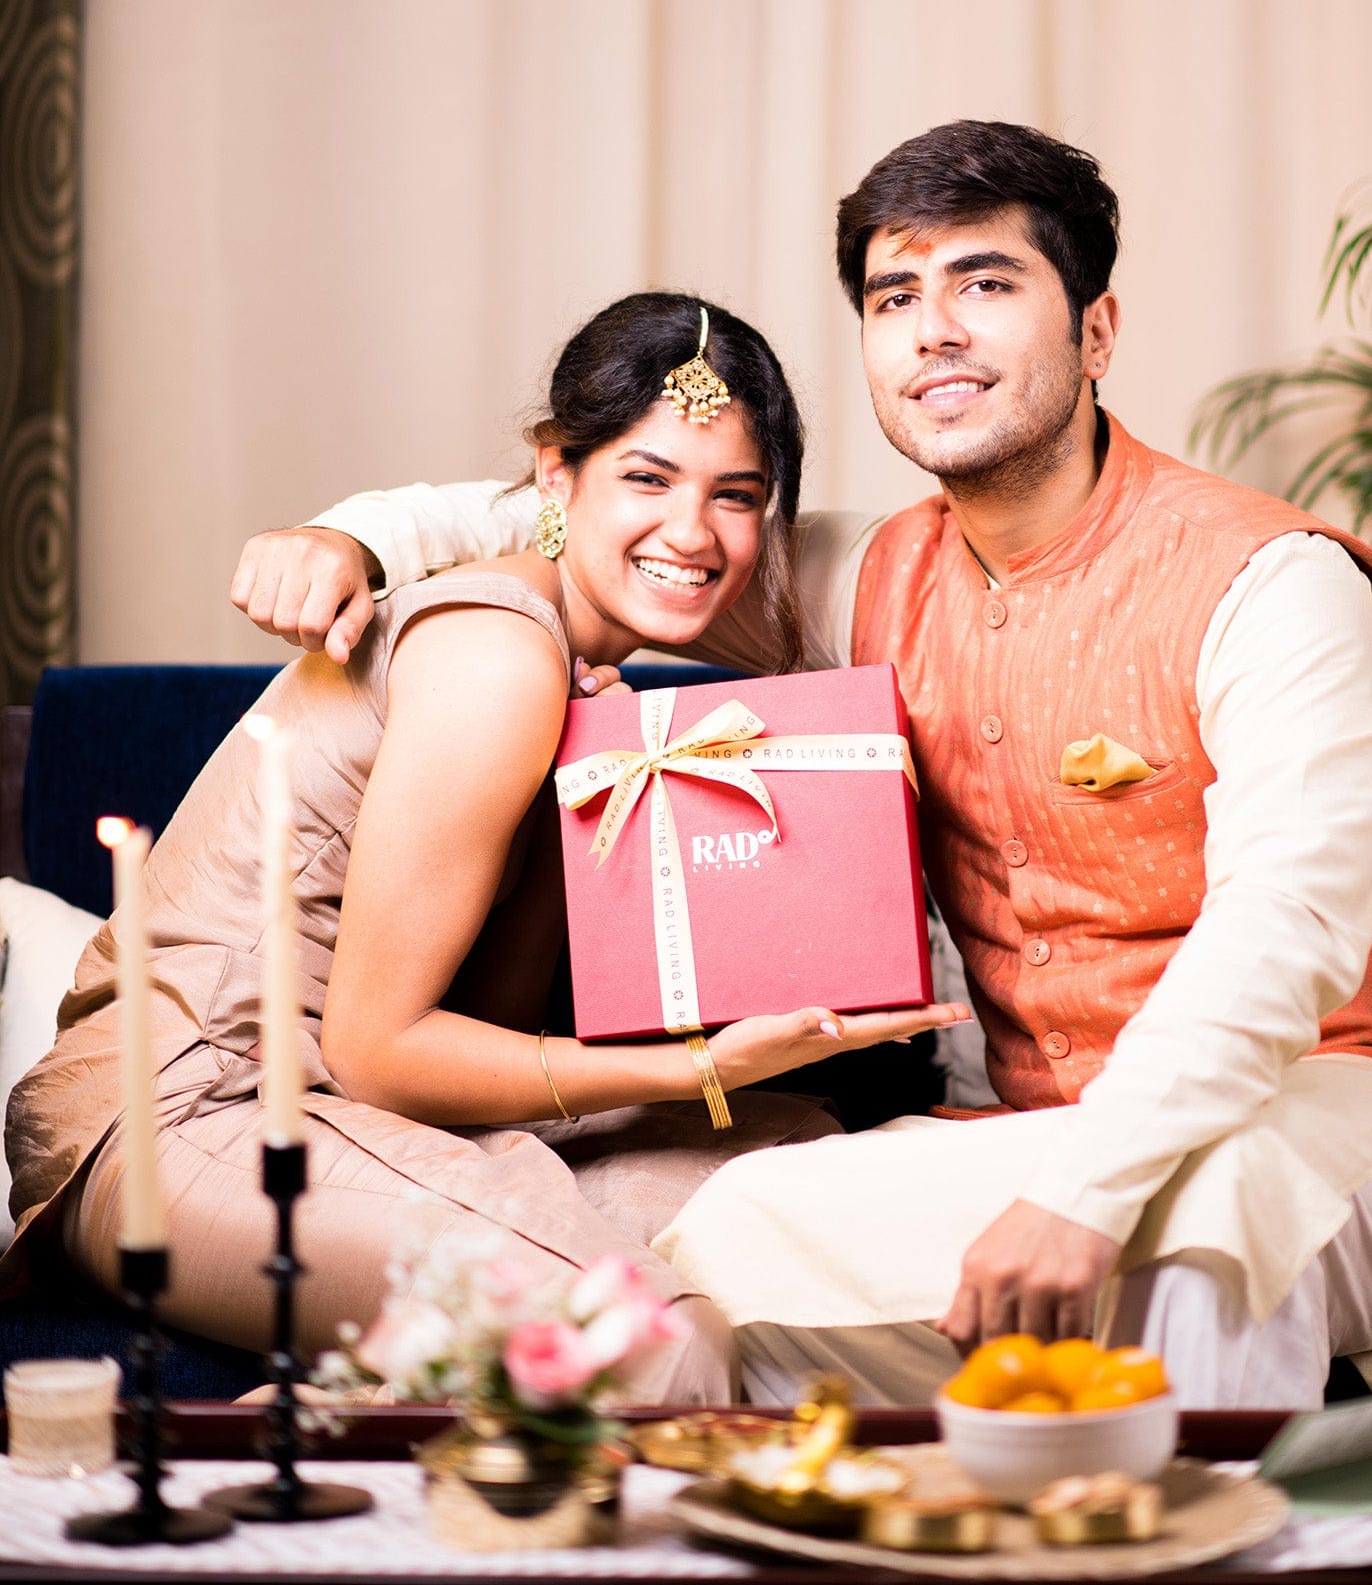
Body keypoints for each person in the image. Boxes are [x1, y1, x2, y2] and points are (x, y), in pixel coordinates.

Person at [229, 124, 1372, 1417]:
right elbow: (603, 519)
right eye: (894, 297)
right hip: (1041, 1139)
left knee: (1185, 1242)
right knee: (714, 1241)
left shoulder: (1272, 584)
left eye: (985, 283)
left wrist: (1084, 1196)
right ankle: (1366, 1407)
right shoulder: (875, 576)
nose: (933, 327)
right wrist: (359, 538)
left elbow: (1281, 933)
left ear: (1096, 331)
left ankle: (1247, 1494)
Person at [1, 291, 965, 1403]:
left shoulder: (578, 681)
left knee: (796, 1168)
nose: (694, 533)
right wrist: (700, 1066)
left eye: (735, 495)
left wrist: (584, 826)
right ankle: (322, 1446)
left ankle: (383, 1397)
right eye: (647, 479)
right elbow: (380, 1052)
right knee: (654, 1342)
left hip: (349, 1107)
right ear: (555, 475)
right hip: (190, 1116)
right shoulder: (496, 652)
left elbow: (483, 1030)